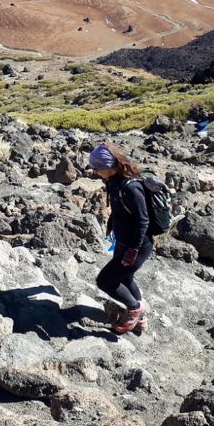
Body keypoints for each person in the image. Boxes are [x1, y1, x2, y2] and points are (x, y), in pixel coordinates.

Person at [89, 142, 154, 334]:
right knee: (125, 280)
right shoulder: (113, 182)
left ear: (109, 167)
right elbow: (118, 209)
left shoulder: (132, 188)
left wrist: (133, 250)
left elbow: (143, 221)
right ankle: (141, 319)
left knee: (104, 281)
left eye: (97, 168)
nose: (94, 171)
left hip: (138, 245)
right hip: (123, 241)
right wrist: (111, 225)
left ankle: (134, 309)